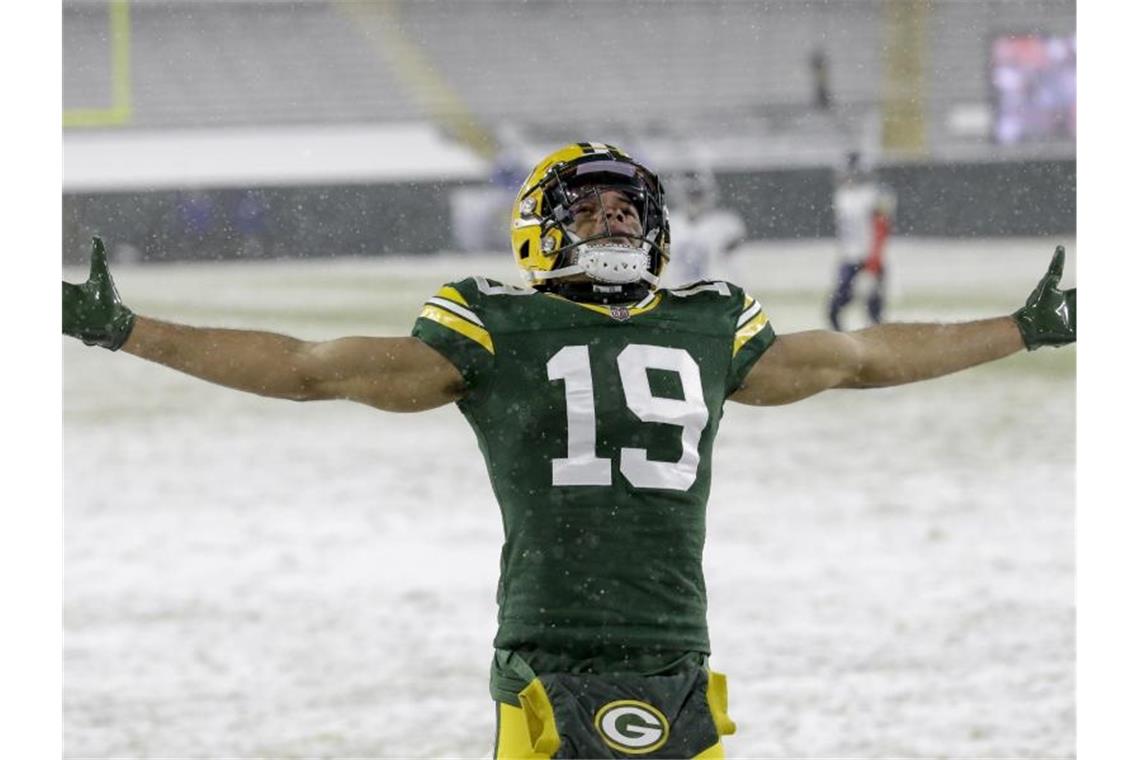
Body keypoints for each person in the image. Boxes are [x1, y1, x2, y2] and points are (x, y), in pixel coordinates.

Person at [62, 142, 1076, 759]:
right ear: (538, 230)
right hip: (548, 654)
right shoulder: (493, 327)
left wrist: (1018, 330)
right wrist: (128, 330)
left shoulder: (708, 321)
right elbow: (312, 366)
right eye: (586, 206)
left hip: (677, 651)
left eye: (627, 205)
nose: (613, 216)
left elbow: (857, 358)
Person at [826, 151, 897, 331]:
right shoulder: (842, 196)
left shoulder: (874, 195)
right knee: (834, 311)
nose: (845, 177)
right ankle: (844, 349)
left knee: (874, 315)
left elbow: (880, 233)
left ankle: (880, 352)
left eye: (849, 173)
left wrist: (872, 267)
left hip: (869, 259)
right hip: (849, 259)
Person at [663, 170, 746, 287]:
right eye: (691, 194)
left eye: (698, 194)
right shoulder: (669, 223)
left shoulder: (725, 224)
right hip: (676, 292)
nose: (695, 199)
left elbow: (731, 258)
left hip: (715, 293)